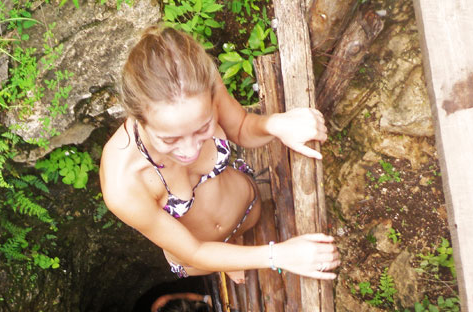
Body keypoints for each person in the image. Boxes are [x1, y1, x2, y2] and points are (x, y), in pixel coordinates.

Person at [100, 26, 340, 283]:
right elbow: (194, 250)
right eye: (169, 140)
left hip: (246, 207)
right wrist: (278, 255)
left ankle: (234, 250)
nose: (190, 151)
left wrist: (276, 125)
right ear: (137, 118)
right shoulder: (123, 185)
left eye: (203, 128)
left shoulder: (203, 87)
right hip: (198, 255)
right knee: (212, 258)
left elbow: (240, 126)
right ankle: (228, 261)